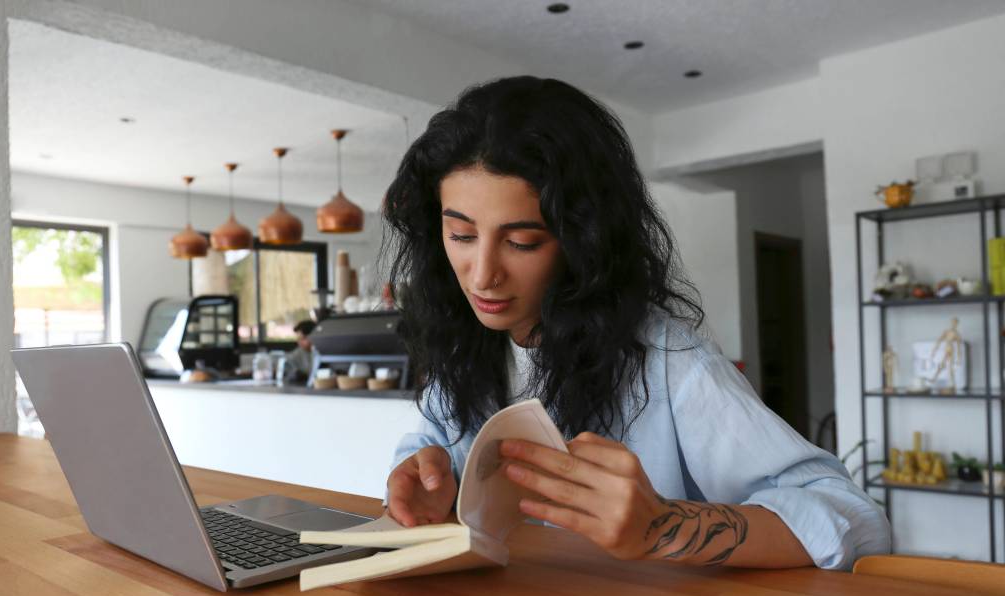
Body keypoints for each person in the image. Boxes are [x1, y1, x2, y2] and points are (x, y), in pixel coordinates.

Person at [379, 76, 890, 570]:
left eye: (523, 242)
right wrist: (425, 477)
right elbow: (430, 446)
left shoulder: (668, 360)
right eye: (462, 236)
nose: (484, 275)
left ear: (585, 241)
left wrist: (663, 526)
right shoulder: (463, 341)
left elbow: (852, 518)